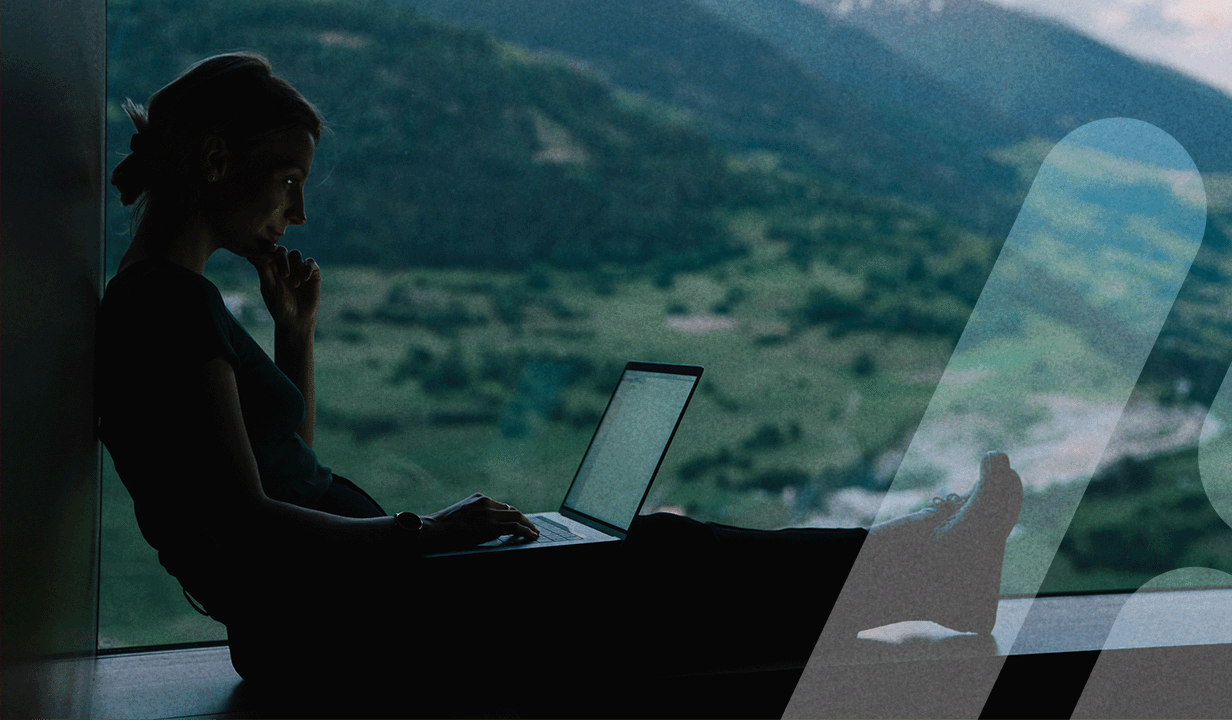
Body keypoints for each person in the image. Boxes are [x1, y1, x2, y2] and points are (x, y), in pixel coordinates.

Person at [97, 53, 1023, 702]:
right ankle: (925, 563)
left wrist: (293, 334)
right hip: (342, 624)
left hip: (335, 608)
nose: (298, 209)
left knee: (651, 557)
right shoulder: (164, 308)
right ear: (217, 160)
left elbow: (277, 466)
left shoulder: (164, 300)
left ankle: (923, 562)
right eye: (288, 179)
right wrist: (428, 532)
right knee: (663, 555)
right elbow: (244, 526)